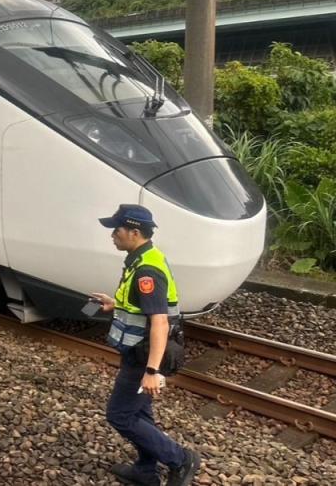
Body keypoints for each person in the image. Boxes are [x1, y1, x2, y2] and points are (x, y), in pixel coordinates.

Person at [89, 204, 200, 486]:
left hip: (143, 356)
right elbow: (140, 308)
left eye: (117, 229)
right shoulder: (140, 259)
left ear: (134, 232)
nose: (112, 235)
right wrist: (115, 304)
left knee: (119, 415)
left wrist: (151, 370)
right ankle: (145, 472)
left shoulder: (147, 271)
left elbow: (160, 322)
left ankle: (180, 459)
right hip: (136, 350)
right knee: (139, 413)